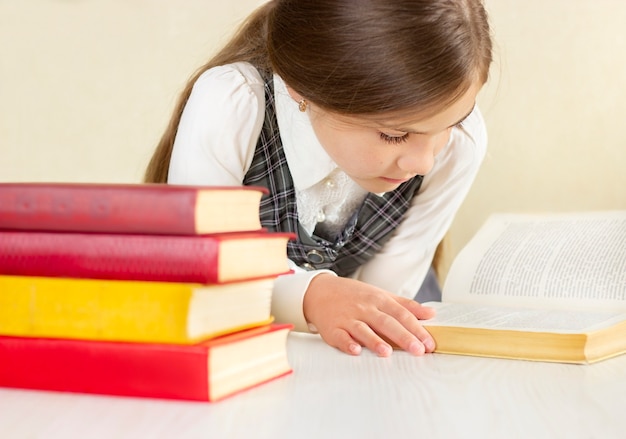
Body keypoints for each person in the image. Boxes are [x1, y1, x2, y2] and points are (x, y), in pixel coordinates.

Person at [145, 0, 493, 358]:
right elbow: (205, 264)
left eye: (450, 124)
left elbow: (386, 303)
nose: (424, 162)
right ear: (300, 87)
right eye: (394, 134)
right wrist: (311, 296)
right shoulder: (232, 103)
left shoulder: (460, 146)